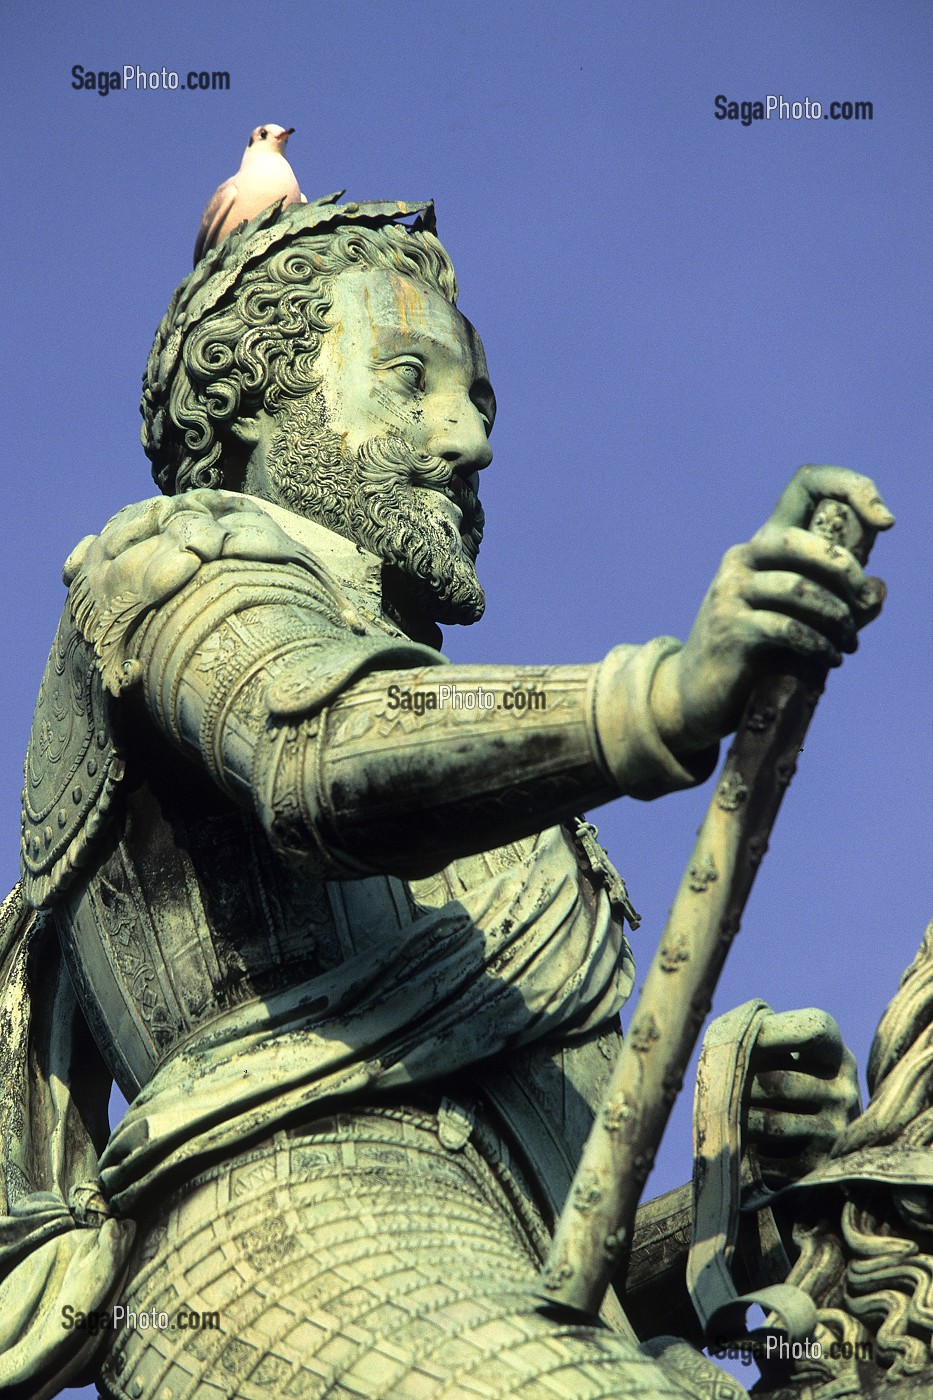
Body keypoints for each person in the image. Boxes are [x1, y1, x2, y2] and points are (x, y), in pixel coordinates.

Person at [1, 196, 892, 1400]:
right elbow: (315, 752)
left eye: (477, 401)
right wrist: (667, 699)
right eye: (410, 379)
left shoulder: (511, 802)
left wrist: (749, 1189)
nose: (468, 438)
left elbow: (557, 1264)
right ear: (254, 403)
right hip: (276, 1258)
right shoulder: (165, 567)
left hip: (488, 1296)